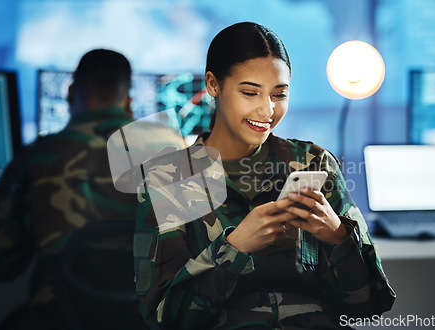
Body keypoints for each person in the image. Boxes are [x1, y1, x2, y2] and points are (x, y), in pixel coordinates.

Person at [134, 22, 396, 329]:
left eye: (279, 94)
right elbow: (164, 319)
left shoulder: (315, 164)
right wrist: (235, 248)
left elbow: (369, 306)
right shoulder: (167, 179)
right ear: (213, 84)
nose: (267, 110)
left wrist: (337, 236)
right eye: (249, 92)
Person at [0, 49, 139, 329]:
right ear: (128, 101)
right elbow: (205, 260)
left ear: (71, 93)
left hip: (58, 319)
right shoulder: (175, 154)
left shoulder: (35, 158)